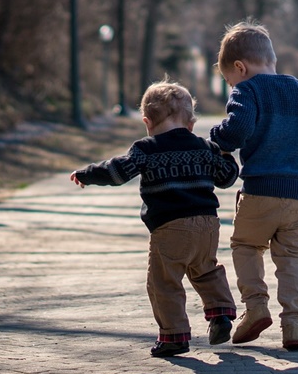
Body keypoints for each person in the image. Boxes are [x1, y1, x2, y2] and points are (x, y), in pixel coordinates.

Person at [70, 78, 239, 357]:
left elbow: (117, 172)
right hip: (208, 225)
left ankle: (174, 336)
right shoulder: (203, 147)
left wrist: (88, 174)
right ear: (191, 123)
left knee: (164, 282)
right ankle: (220, 314)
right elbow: (226, 178)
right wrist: (225, 153)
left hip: (170, 227)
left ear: (147, 122)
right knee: (206, 270)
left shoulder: (146, 149)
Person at [209, 20, 298, 350]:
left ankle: (255, 308)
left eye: (229, 80)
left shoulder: (247, 90)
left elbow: (236, 131)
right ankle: (294, 326)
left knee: (245, 246)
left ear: (240, 67)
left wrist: (216, 137)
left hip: (261, 192)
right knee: (294, 260)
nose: (231, 85)